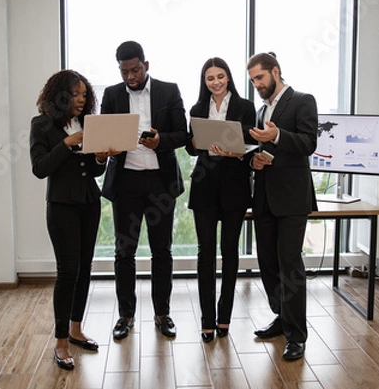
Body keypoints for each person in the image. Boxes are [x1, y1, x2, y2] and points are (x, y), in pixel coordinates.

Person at [30, 69, 118, 370]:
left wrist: (100, 158)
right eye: (76, 94)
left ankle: (76, 328)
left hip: (89, 203)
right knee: (67, 271)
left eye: (84, 95)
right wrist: (68, 144)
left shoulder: (87, 124)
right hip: (61, 206)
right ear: (61, 96)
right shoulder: (41, 125)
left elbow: (93, 173)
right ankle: (61, 341)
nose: (81, 100)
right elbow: (40, 168)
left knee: (84, 269)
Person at [100, 41, 188, 339]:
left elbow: (183, 134)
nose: (130, 77)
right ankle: (126, 315)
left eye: (135, 70)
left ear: (146, 65)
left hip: (160, 182)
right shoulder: (112, 94)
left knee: (161, 250)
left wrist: (161, 140)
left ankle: (162, 314)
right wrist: (108, 147)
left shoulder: (169, 91)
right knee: (124, 252)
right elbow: (104, 134)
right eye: (124, 71)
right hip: (126, 182)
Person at [246, 53, 318, 361]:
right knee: (268, 263)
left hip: (291, 198)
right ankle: (282, 316)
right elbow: (262, 150)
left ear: (275, 71)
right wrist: (255, 159)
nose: (257, 85)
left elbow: (308, 143)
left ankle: (297, 335)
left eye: (260, 78)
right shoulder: (262, 109)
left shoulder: (303, 100)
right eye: (252, 81)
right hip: (264, 196)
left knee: (290, 265)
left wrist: (277, 135)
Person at [185, 57, 256, 343]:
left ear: (228, 78)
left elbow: (252, 145)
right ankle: (206, 320)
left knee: (229, 251)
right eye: (210, 78)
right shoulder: (198, 109)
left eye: (220, 76)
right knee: (205, 253)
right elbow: (191, 149)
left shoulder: (245, 107)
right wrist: (193, 142)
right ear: (204, 82)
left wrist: (236, 152)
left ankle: (224, 316)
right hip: (204, 185)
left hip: (234, 185)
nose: (215, 82)